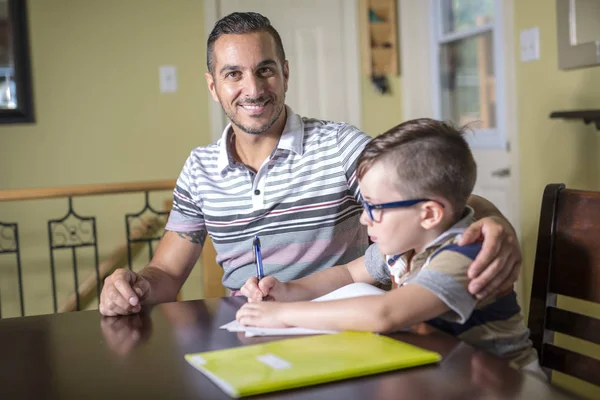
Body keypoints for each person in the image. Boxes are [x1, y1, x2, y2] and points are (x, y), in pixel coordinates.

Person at [98, 12, 521, 317]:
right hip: (252, 326)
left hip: (351, 329)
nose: (253, 88)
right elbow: (166, 276)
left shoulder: (339, 145)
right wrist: (134, 287)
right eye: (233, 75)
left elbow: (428, 198)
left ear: (284, 73)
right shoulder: (199, 169)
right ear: (213, 86)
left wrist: (491, 223)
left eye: (265, 70)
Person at [237, 118, 542, 374]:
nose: (364, 220)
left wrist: (283, 316)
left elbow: (386, 313)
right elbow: (348, 274)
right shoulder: (405, 245)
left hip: (507, 384)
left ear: (429, 214)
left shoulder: (464, 253)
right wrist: (287, 292)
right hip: (451, 374)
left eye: (374, 207)